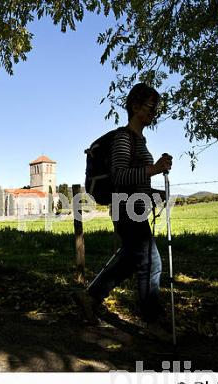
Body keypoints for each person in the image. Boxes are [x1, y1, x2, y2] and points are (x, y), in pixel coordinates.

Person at [74, 83, 172, 329]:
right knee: (151, 262)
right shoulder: (123, 137)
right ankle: (153, 321)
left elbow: (135, 178)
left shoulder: (139, 139)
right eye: (150, 106)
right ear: (135, 105)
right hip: (125, 208)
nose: (153, 112)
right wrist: (155, 169)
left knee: (130, 259)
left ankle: (90, 297)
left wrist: (152, 192)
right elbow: (119, 177)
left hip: (134, 206)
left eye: (155, 108)